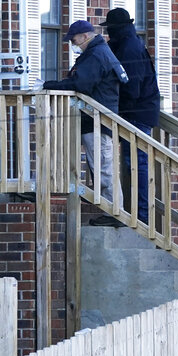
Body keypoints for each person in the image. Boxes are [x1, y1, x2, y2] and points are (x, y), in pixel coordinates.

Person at [43, 20, 129, 223]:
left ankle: (115, 213)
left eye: (74, 40)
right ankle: (111, 210)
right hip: (95, 121)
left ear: (84, 36)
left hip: (97, 121)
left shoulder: (96, 55)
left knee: (103, 168)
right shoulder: (97, 52)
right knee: (101, 166)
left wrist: (49, 85)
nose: (73, 44)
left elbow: (81, 83)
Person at [101, 7, 161, 223]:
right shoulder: (127, 44)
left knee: (137, 164)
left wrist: (115, 105)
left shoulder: (129, 49)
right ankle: (137, 214)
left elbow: (131, 88)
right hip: (139, 112)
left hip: (137, 114)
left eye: (110, 30)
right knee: (134, 164)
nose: (108, 34)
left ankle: (142, 217)